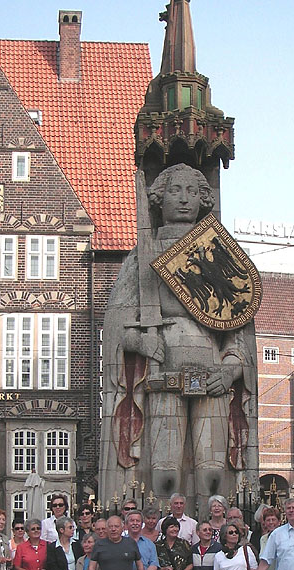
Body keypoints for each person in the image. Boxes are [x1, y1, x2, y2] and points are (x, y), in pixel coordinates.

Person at [99, 163, 259, 514]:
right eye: (175, 191)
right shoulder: (144, 254)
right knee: (164, 471)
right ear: (159, 198)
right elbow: (116, 319)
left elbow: (236, 324)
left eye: (191, 191)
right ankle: (163, 525)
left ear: (204, 199)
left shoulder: (217, 254)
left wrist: (231, 369)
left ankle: (212, 527)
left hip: (212, 374)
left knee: (213, 471)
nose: (184, 199)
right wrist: (139, 342)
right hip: (162, 373)